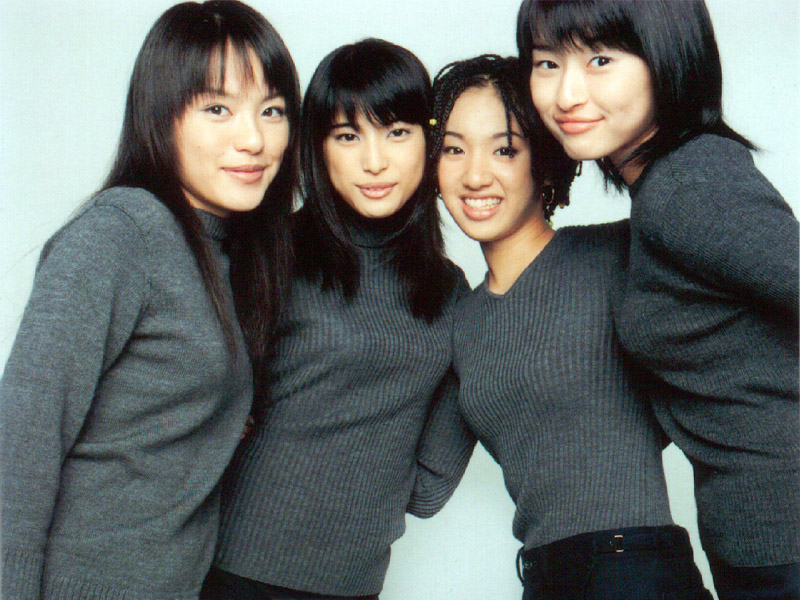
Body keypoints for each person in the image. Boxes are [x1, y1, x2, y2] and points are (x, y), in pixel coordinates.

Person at [0, 1, 301, 598]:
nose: (254, 139)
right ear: (160, 116)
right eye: (217, 108)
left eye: (272, 110)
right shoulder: (120, 235)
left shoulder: (232, 250)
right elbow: (21, 445)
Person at [518, 1, 800, 598]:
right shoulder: (666, 189)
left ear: (668, 60)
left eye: (600, 60)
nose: (567, 94)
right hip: (758, 537)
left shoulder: (687, 186)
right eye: (547, 63)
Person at [428, 53, 712, 600]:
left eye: (505, 149)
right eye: (454, 149)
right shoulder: (462, 319)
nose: (475, 175)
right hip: (543, 576)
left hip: (635, 570)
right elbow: (425, 487)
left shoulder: (617, 254)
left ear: (545, 160)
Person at [201, 38, 471, 600]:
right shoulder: (270, 252)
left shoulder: (449, 290)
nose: (374, 161)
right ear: (318, 149)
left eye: (396, 132)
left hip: (356, 580)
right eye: (348, 136)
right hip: (237, 569)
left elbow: (430, 487)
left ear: (429, 141)